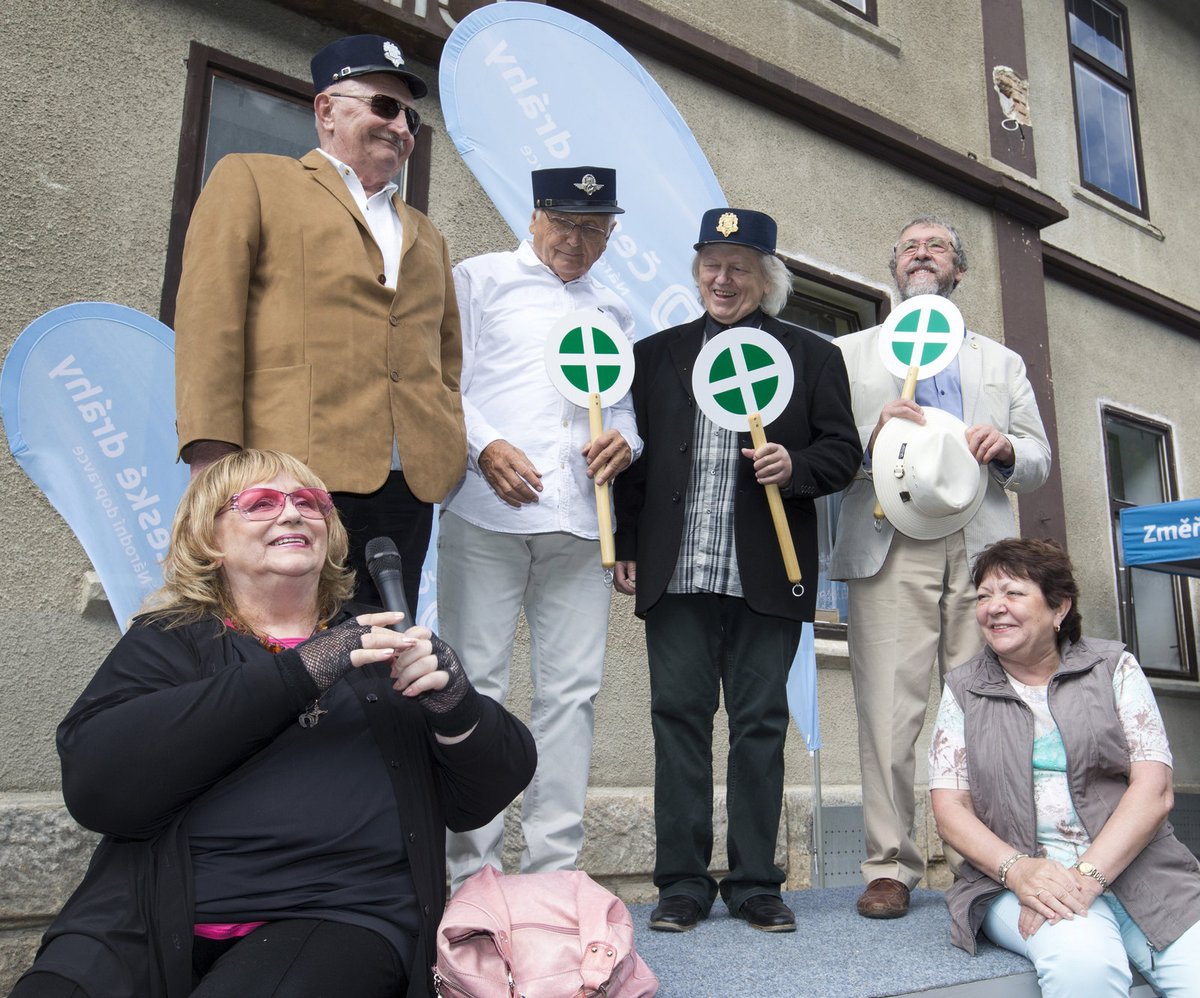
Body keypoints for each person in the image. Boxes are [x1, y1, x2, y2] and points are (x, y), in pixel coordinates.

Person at [9, 450, 535, 998]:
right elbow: (98, 786)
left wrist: (456, 703)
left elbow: (482, 795)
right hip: (151, 906)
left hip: (338, 912)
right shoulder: (167, 639)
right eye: (261, 504)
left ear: (330, 532)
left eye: (309, 503)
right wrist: (301, 671)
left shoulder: (381, 642)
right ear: (208, 538)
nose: (292, 515)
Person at [613, 208, 861, 933]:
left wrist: (798, 466)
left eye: (739, 268)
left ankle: (756, 881)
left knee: (759, 725)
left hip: (767, 573)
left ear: (766, 278)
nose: (723, 280)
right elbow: (634, 464)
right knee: (677, 722)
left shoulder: (813, 358)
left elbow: (843, 454)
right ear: (696, 271)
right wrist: (627, 542)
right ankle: (682, 884)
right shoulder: (656, 356)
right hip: (678, 571)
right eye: (711, 265)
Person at [174, 34, 466, 614]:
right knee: (280, 644)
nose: (402, 127)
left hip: (407, 481)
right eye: (384, 107)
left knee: (380, 648)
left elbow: (446, 358)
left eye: (409, 115)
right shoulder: (253, 180)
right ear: (326, 109)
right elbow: (210, 322)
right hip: (289, 475)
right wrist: (214, 456)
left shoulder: (427, 234)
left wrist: (445, 439)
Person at [829, 216, 1052, 919]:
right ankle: (890, 864)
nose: (922, 255)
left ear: (959, 272)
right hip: (886, 540)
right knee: (888, 714)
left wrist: (1008, 448)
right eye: (910, 247)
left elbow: (1040, 460)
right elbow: (822, 454)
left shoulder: (1001, 362)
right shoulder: (850, 355)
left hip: (980, 551)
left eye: (938, 248)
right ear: (893, 268)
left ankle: (979, 862)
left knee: (980, 711)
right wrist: (869, 437)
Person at [439, 167, 638, 890]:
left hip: (582, 525)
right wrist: (484, 445)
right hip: (486, 512)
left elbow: (622, 409)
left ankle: (555, 871)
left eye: (594, 230)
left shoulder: (615, 309)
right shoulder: (479, 279)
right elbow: (441, 378)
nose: (576, 243)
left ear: (611, 235)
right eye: (564, 224)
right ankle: (472, 873)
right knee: (473, 685)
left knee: (573, 694)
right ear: (533, 219)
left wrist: (628, 442)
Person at [929, 537, 1200, 996]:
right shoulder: (964, 689)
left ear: (1059, 608)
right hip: (1018, 880)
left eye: (1012, 593)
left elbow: (1153, 790)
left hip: (1140, 870)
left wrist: (1086, 877)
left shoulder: (1114, 667)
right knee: (1085, 966)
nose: (994, 608)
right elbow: (950, 807)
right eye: (984, 597)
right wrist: (1018, 871)